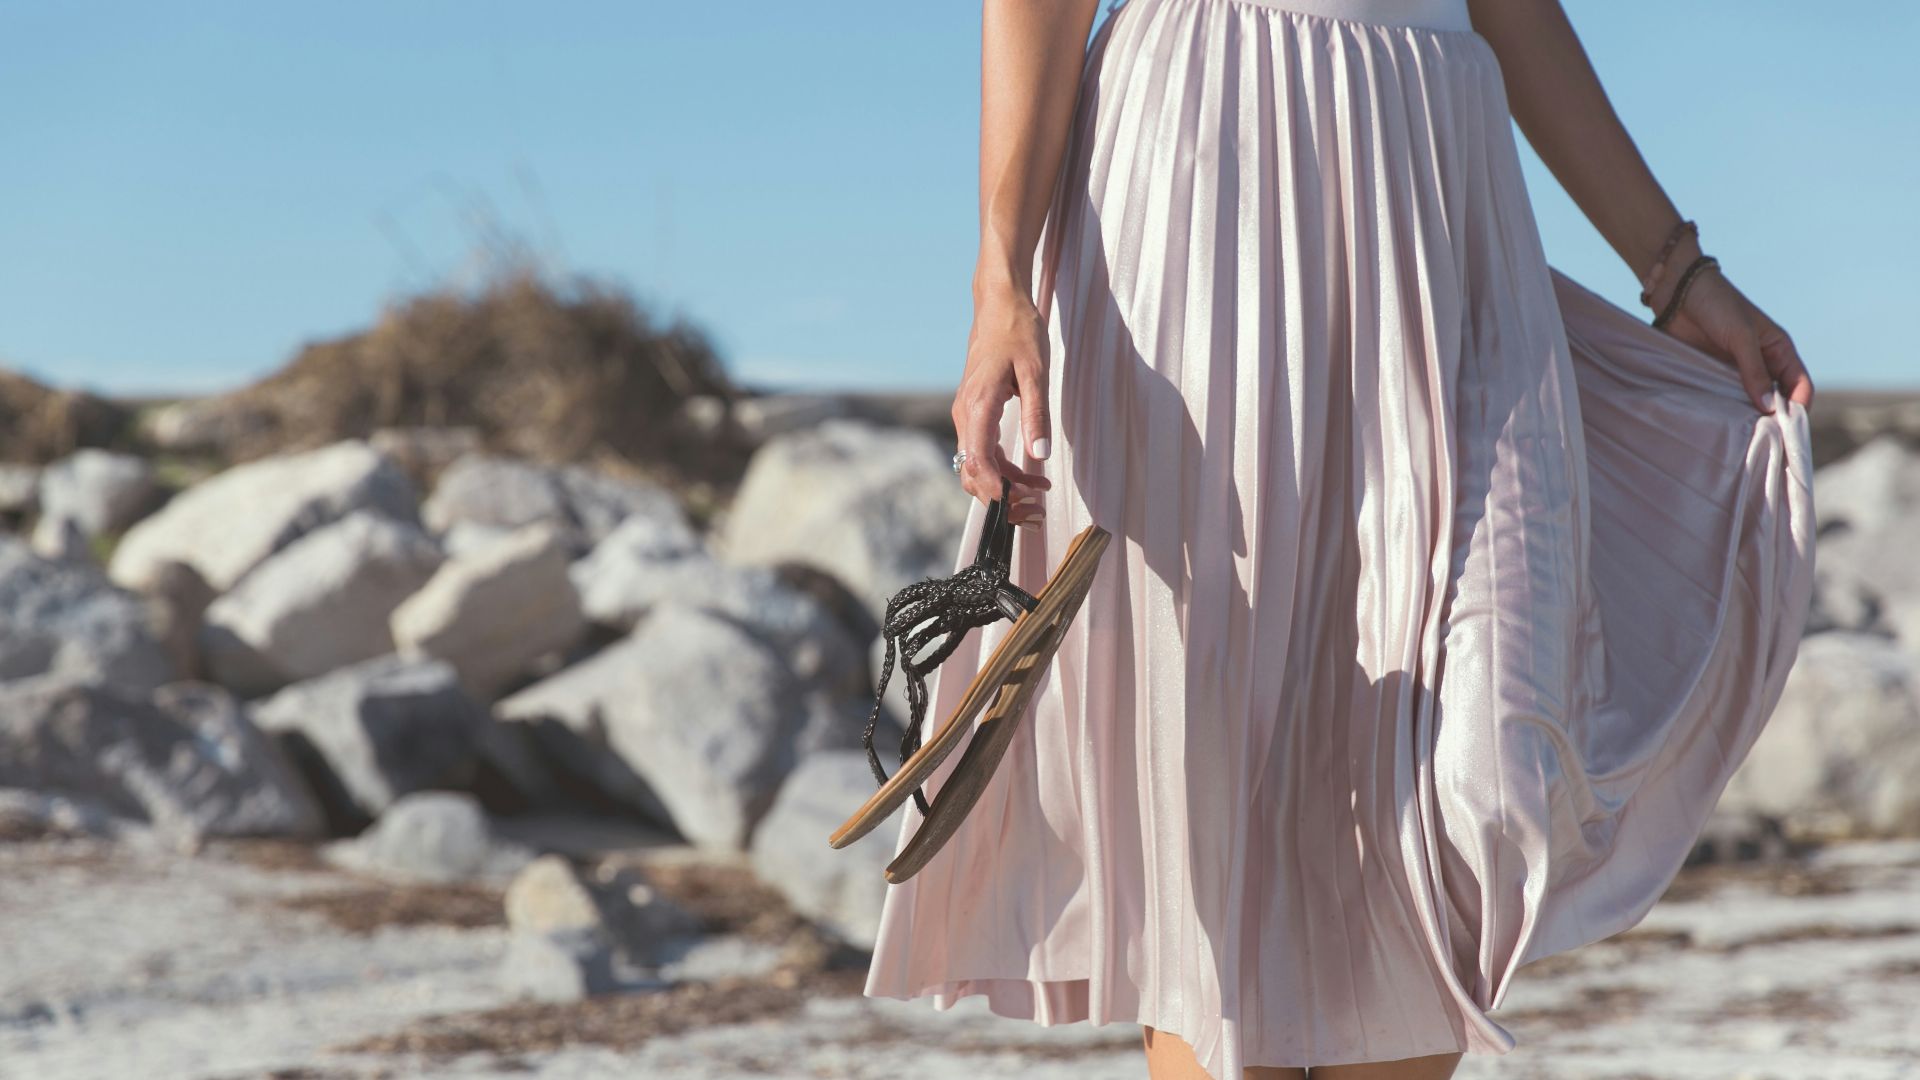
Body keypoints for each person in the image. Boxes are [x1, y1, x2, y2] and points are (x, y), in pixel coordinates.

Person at [863, 1, 1818, 1078]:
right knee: (1220, 804)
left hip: (1444, 203)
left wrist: (1677, 270)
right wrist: (1000, 278)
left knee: (1484, 765)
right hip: (1200, 172)